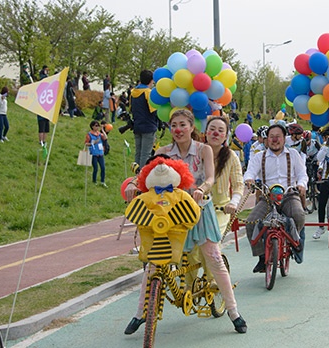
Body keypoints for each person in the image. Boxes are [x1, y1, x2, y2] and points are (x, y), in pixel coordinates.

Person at [151, 110, 246, 333]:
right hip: (181, 210)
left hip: (216, 209)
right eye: (212, 129)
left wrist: (233, 200)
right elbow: (151, 171)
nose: (215, 133)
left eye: (220, 130)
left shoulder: (229, 156)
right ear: (204, 131)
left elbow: (235, 183)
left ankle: (229, 305)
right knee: (184, 255)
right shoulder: (173, 152)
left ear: (226, 135)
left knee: (210, 254)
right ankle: (189, 290)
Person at [244, 124, 308, 271]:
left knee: (298, 215)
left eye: (278, 136)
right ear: (267, 139)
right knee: (251, 222)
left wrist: (302, 184)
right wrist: (249, 180)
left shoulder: (293, 154)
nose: (275, 140)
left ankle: (295, 242)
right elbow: (250, 172)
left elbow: (302, 174)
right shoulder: (259, 156)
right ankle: (261, 257)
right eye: (271, 137)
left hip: (289, 195)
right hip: (268, 197)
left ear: (284, 138)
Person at [131, 69, 158, 168]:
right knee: (146, 154)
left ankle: (135, 176)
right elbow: (153, 111)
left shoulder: (133, 92)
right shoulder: (148, 92)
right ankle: (142, 177)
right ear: (151, 81)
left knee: (138, 153)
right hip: (148, 126)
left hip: (137, 125)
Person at [85, 121, 107, 187]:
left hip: (100, 153)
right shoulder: (89, 134)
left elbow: (105, 138)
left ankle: (102, 181)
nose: (97, 127)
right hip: (94, 154)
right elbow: (86, 143)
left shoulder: (99, 134)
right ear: (92, 126)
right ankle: (94, 181)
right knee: (96, 168)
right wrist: (93, 143)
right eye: (96, 125)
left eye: (98, 125)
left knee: (103, 168)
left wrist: (102, 130)